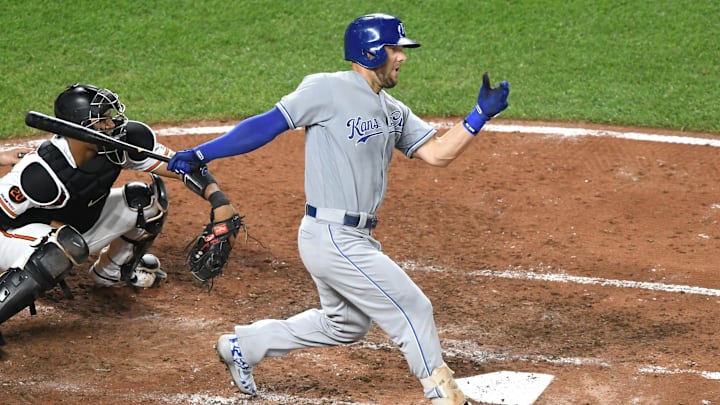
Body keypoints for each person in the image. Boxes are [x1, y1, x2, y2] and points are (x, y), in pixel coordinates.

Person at [167, 13, 509, 405]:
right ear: (371, 50)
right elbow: (265, 126)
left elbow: (436, 154)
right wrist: (200, 152)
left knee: (344, 325)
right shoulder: (326, 89)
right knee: (413, 306)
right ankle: (443, 394)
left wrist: (479, 116)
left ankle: (244, 345)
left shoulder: (392, 109)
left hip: (353, 237)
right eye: (395, 48)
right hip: (331, 235)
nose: (402, 57)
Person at [0, 83, 239, 345]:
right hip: (15, 235)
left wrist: (218, 200)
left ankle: (111, 271)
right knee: (59, 248)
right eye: (101, 120)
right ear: (79, 129)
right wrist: (44, 236)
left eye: (110, 116)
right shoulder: (41, 173)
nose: (112, 124)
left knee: (143, 202)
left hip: (76, 227)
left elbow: (182, 165)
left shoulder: (118, 146)